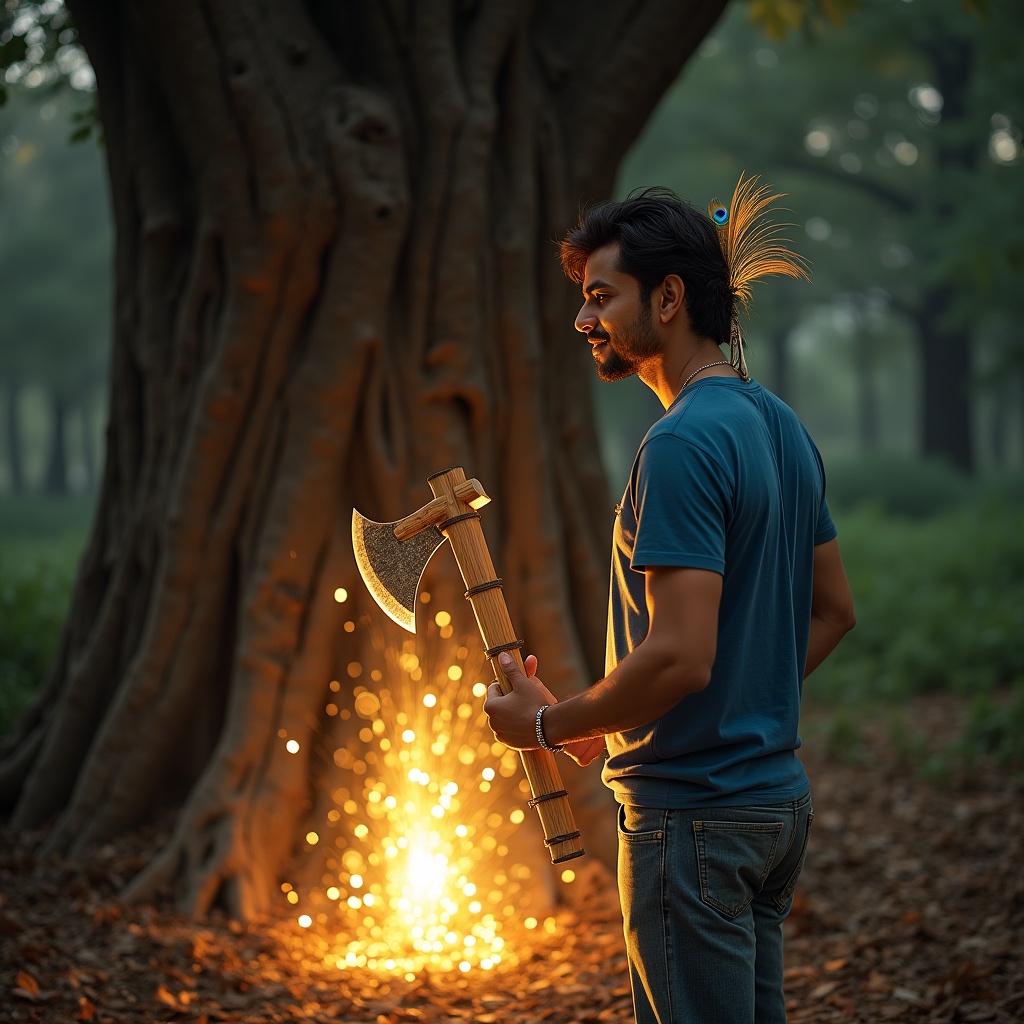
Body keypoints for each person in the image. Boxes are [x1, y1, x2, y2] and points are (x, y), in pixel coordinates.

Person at [483, 182, 856, 1024]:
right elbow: (834, 611)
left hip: (694, 824)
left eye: (600, 296)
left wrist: (550, 726)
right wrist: (621, 721)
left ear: (669, 297)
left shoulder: (683, 440)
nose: (585, 321)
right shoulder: (781, 424)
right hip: (772, 809)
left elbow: (683, 656)